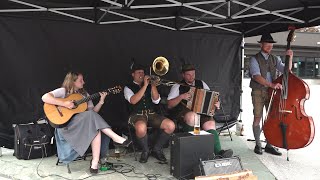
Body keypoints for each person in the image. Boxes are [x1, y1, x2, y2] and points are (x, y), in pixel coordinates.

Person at [42, 72, 131, 174]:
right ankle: (115, 138)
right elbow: (45, 97)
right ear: (72, 82)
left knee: (94, 125)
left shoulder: (85, 95)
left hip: (80, 125)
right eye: (81, 80)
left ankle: (94, 163)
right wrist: (64, 103)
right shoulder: (64, 91)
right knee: (93, 123)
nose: (83, 82)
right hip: (67, 126)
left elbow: (93, 114)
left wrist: (101, 101)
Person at [167, 64, 233, 158]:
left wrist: (216, 103)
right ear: (183, 75)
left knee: (210, 124)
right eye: (188, 75)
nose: (191, 77)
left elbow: (212, 97)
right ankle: (195, 151)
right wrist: (181, 96)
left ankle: (219, 152)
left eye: (193, 74)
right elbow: (169, 105)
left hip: (202, 113)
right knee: (193, 116)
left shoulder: (201, 83)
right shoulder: (177, 86)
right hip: (185, 114)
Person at [249, 33, 293, 155]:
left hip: (272, 92)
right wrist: (272, 85)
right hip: (258, 91)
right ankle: (258, 145)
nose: (269, 46)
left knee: (271, 119)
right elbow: (256, 76)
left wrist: (290, 57)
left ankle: (269, 144)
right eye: (267, 44)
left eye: (271, 44)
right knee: (257, 117)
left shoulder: (276, 58)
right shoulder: (254, 58)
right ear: (261, 44)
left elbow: (286, 71)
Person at [124, 64, 175, 163]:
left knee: (171, 126)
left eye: (143, 73)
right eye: (139, 72)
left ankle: (157, 149)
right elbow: (133, 100)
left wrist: (152, 85)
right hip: (136, 115)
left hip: (151, 114)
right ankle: (145, 150)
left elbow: (156, 100)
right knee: (141, 128)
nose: (141, 75)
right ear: (133, 74)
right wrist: (145, 86)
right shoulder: (128, 87)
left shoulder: (150, 85)